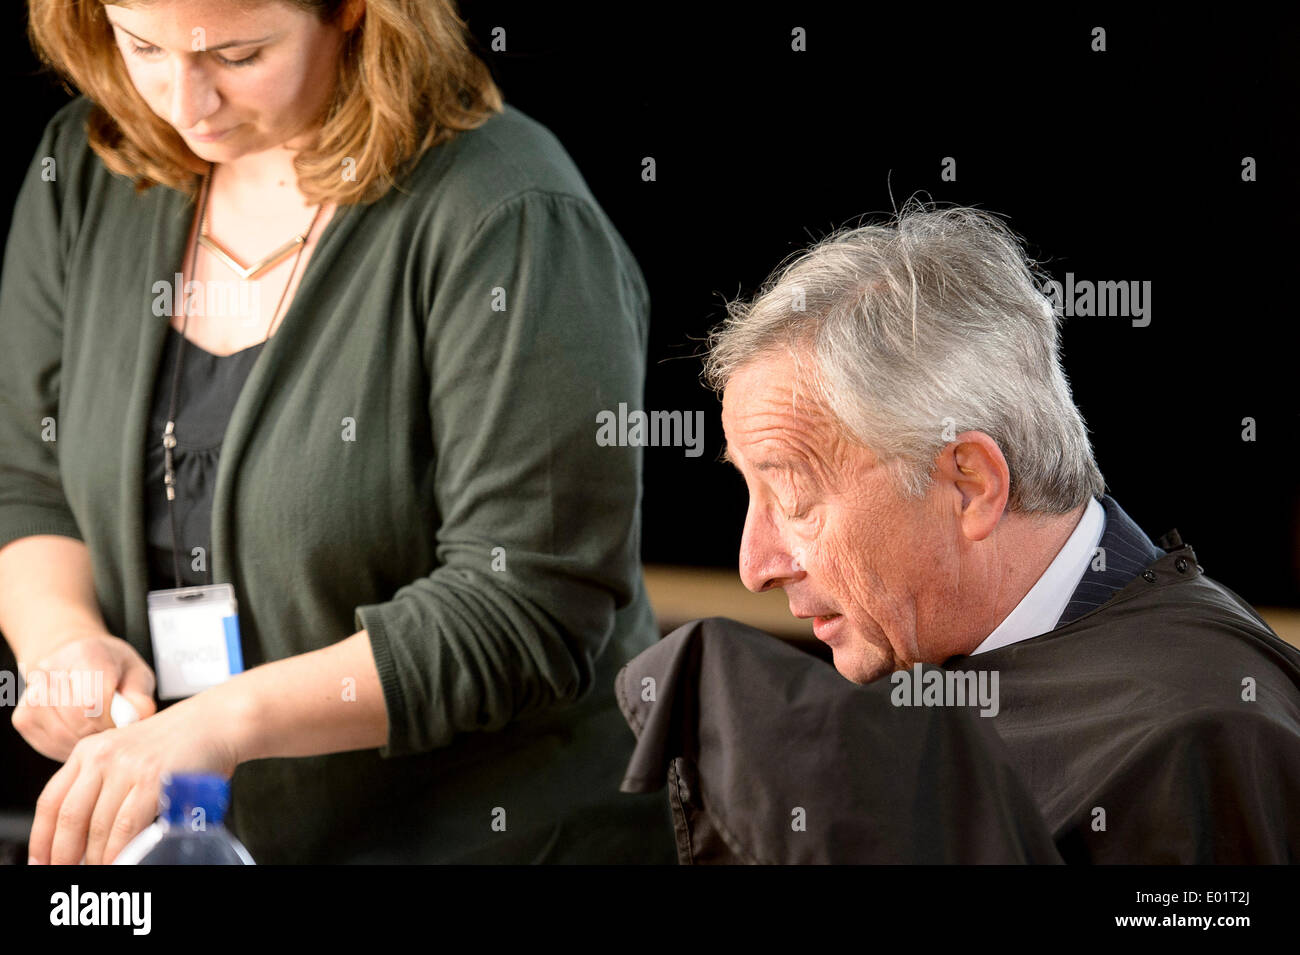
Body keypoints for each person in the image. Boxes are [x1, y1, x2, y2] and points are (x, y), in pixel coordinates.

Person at [0, 0, 674, 863]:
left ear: (355, 12)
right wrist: (63, 640)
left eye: (238, 55)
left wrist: (225, 721)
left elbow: (527, 607)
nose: (184, 102)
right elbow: (32, 474)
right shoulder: (91, 163)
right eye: (141, 45)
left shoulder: (508, 212)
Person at [617, 202, 1300, 863]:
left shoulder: (1210, 743)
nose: (754, 564)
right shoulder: (932, 655)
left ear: (970, 484)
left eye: (794, 498)